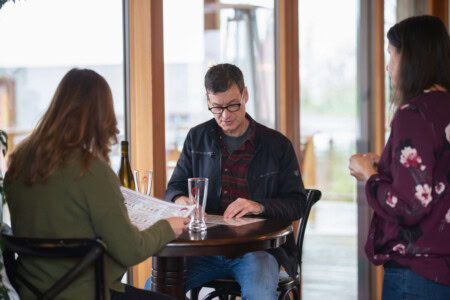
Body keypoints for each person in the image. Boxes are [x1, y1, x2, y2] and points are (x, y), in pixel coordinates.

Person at [4, 68, 189, 300]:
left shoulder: (19, 162)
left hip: (33, 293)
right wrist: (167, 227)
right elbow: (131, 250)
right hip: (89, 293)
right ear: (102, 116)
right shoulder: (90, 170)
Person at [145, 63, 307, 300]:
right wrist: (182, 199)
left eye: (233, 105)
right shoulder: (197, 138)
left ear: (245, 95)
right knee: (151, 289)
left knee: (260, 295)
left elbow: (297, 203)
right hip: (203, 249)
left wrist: (258, 206)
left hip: (256, 250)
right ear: (208, 100)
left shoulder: (277, 145)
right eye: (217, 108)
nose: (225, 115)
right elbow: (174, 187)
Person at [349, 15, 450, 299]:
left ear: (412, 57)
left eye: (391, 54)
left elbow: (410, 206)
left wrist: (369, 174)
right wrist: (388, 165)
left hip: (418, 270)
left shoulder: (414, 114)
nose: (388, 65)